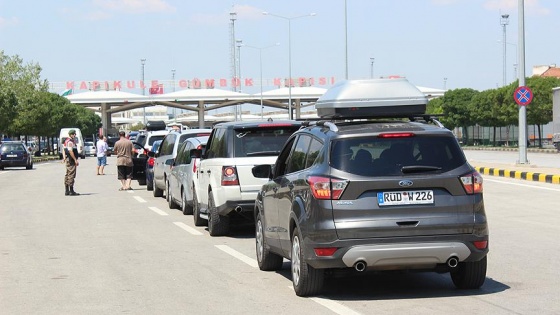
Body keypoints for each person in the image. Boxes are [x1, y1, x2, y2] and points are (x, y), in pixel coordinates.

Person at [63, 129, 80, 196]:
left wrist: (64, 158)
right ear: (71, 135)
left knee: (67, 174)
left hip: (68, 159)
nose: (75, 135)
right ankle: (71, 190)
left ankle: (67, 190)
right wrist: (75, 159)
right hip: (71, 160)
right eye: (74, 134)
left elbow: (63, 150)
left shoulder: (66, 141)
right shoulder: (70, 142)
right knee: (71, 174)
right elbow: (70, 151)